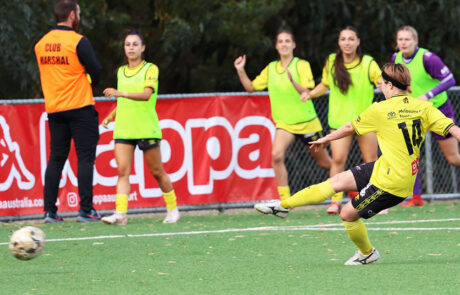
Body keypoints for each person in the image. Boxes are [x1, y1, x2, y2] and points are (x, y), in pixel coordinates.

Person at [255, 63, 460, 265]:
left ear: (389, 85)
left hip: (393, 183)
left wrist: (326, 139)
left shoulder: (380, 109)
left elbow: (348, 127)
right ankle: (283, 206)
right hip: (387, 169)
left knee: (347, 214)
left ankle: (367, 253)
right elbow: (453, 129)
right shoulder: (424, 107)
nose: (380, 86)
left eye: (381, 83)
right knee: (337, 181)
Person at [233, 29, 331, 203]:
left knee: (326, 164)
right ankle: (285, 203)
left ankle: (352, 190)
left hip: (307, 122)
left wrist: (293, 81)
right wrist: (240, 70)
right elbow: (251, 88)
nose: (284, 44)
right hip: (285, 124)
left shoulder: (301, 65)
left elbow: (307, 91)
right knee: (276, 156)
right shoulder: (271, 68)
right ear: (276, 46)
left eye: (287, 41)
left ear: (293, 45)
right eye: (281, 42)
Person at [101, 31, 180, 224]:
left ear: (142, 48)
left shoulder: (150, 69)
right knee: (122, 171)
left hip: (145, 128)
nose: (131, 48)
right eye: (128, 44)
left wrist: (119, 92)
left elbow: (145, 95)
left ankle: (173, 208)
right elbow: (123, 102)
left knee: (157, 172)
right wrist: (111, 116)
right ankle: (120, 214)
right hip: (124, 129)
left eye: (135, 44)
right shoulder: (121, 71)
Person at [301, 26, 381, 215]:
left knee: (371, 161)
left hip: (365, 121)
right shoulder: (331, 61)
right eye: (343, 39)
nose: (347, 42)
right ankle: (335, 201)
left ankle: (374, 201)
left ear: (358, 42)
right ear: (339, 42)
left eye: (351, 39)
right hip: (339, 122)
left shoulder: (368, 63)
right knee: (338, 159)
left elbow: (382, 81)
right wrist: (310, 94)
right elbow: (325, 84)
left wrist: (390, 84)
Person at [35, 0, 102, 223]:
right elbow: (96, 71)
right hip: (80, 107)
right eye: (79, 12)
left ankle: (49, 212)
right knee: (85, 159)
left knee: (56, 159)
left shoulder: (41, 44)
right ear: (72, 15)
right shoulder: (78, 41)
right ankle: (85, 210)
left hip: (55, 109)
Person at [391, 25, 458, 207]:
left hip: (437, 110)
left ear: (416, 41)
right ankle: (416, 197)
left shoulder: (428, 58)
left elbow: (450, 79)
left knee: (453, 159)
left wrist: (427, 95)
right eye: (400, 39)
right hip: (413, 114)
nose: (403, 43)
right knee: (410, 154)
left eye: (407, 39)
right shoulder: (395, 59)